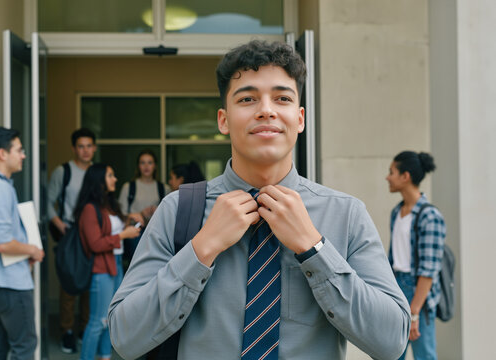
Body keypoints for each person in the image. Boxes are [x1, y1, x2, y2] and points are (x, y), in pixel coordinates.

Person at [109, 40, 410, 360]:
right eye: (248, 98)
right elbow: (124, 337)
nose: (266, 110)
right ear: (223, 120)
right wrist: (202, 249)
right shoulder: (177, 210)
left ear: (300, 118)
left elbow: (392, 341)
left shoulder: (346, 214)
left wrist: (314, 248)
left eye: (282, 98)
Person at [0, 126, 45, 360]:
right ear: (2, 154)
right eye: (19, 150)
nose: (23, 155)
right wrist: (33, 250)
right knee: (25, 347)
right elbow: (1, 242)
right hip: (10, 283)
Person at [74, 163, 141, 360]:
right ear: (99, 180)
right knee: (97, 321)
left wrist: (129, 218)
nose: (115, 179)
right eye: (110, 175)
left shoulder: (108, 205)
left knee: (110, 319)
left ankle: (105, 356)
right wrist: (123, 235)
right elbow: (95, 243)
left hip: (115, 265)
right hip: (101, 268)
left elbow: (111, 228)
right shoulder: (89, 209)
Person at [386, 151, 446, 360]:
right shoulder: (397, 212)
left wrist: (414, 312)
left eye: (391, 172)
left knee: (424, 356)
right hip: (396, 287)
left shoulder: (430, 216)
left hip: (418, 293)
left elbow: (428, 271)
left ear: (406, 176)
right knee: (393, 354)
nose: (387, 177)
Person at [47, 127, 97, 353]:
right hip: (70, 232)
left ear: (94, 148)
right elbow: (49, 203)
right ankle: (67, 330)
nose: (85, 151)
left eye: (89, 146)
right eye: (81, 146)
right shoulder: (64, 171)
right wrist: (61, 226)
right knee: (69, 282)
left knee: (90, 282)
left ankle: (84, 329)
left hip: (92, 233)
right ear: (73, 148)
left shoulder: (98, 172)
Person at [118, 150, 170, 263]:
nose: (146, 166)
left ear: (155, 166)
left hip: (156, 233)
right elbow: (120, 215)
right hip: (135, 233)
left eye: (150, 163)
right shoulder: (129, 187)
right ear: (138, 166)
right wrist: (139, 215)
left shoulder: (163, 188)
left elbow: (169, 215)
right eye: (143, 163)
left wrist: (157, 211)